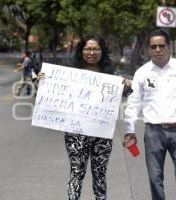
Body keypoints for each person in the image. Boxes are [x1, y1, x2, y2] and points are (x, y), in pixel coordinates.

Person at [38, 34, 131, 200]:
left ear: (102, 51)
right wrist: (43, 79)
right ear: (81, 51)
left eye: (96, 49)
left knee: (100, 174)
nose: (92, 52)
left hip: (102, 134)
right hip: (76, 134)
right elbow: (54, 93)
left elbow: (124, 95)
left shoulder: (110, 74)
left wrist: (127, 85)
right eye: (88, 48)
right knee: (76, 173)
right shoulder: (69, 73)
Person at [123, 29, 176, 200]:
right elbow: (134, 102)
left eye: (161, 46)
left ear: (169, 47)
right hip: (153, 133)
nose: (158, 49)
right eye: (154, 46)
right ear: (148, 49)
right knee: (155, 178)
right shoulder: (142, 73)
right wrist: (129, 129)